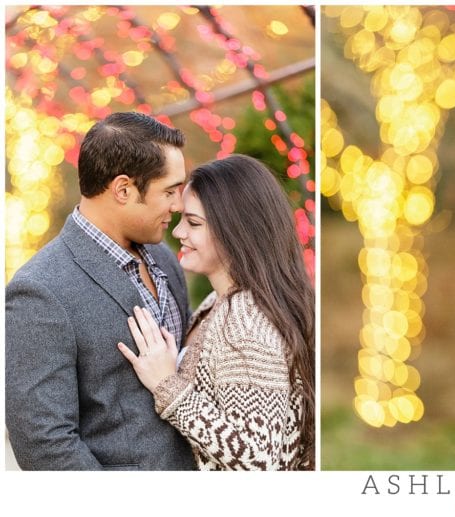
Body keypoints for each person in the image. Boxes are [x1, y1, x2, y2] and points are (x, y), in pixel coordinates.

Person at [5, 112, 195, 470]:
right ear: (123, 190)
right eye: (169, 190)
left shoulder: (165, 258)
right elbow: (44, 442)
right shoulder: (39, 290)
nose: (178, 205)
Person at [117, 155, 315, 470]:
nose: (179, 232)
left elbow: (257, 460)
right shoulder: (218, 302)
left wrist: (167, 384)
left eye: (194, 223)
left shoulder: (246, 321)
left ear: (236, 230)